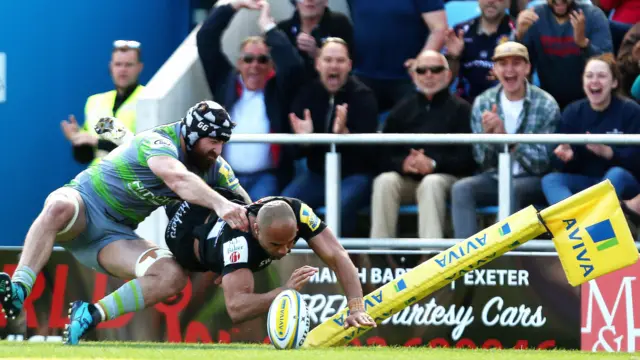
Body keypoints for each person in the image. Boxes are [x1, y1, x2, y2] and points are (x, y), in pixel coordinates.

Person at [0, 100, 250, 345]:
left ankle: (90, 314)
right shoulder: (159, 141)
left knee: (172, 277)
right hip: (83, 206)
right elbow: (178, 178)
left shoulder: (216, 167)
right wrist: (221, 204)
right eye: (213, 141)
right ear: (192, 136)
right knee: (58, 206)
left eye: (222, 142)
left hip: (112, 238)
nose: (218, 150)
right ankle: (20, 288)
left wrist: (235, 259)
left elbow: (248, 211)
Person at [163, 188, 376, 328]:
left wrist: (356, 307)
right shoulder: (238, 242)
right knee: (171, 185)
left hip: (225, 202)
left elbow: (338, 255)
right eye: (276, 244)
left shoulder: (298, 211)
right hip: (185, 238)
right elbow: (237, 308)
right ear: (256, 230)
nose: (284, 251)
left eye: (291, 241)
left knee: (216, 177)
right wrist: (284, 292)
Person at [542, 53, 640, 205]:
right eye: (589, 76)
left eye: (601, 76)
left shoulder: (630, 111)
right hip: (586, 181)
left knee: (616, 174)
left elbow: (636, 159)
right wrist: (566, 157)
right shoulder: (572, 112)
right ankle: (576, 222)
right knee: (551, 180)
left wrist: (609, 153)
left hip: (623, 182)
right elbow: (556, 161)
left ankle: (590, 221)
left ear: (614, 82)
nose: (594, 81)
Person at [60, 40, 145, 166]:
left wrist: (97, 143)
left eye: (128, 65)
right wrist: (76, 139)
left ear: (139, 67)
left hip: (132, 180)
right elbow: (84, 157)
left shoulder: (149, 98)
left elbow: (144, 151)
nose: (123, 70)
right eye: (118, 64)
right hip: (98, 179)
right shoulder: (95, 102)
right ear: (111, 67)